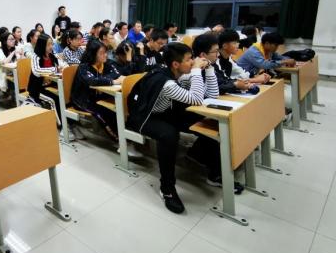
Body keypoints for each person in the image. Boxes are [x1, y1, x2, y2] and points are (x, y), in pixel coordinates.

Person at [127, 43, 239, 215]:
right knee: (169, 135)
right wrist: (196, 70)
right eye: (189, 59)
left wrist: (209, 69)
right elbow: (196, 99)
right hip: (145, 117)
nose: (193, 62)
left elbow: (212, 95)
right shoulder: (167, 83)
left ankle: (213, 171)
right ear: (175, 64)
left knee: (204, 121)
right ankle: (167, 188)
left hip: (165, 111)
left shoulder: (180, 75)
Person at [71, 40, 124, 140]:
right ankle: (118, 138)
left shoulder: (106, 63)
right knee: (101, 111)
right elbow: (92, 81)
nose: (105, 55)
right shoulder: (84, 67)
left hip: (99, 96)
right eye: (101, 53)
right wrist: (112, 81)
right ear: (93, 54)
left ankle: (123, 133)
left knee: (117, 107)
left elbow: (116, 74)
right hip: (83, 100)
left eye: (105, 52)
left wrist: (104, 79)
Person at [26, 34, 70, 132]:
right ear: (42, 45)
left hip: (51, 86)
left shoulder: (52, 55)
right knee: (54, 100)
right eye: (48, 44)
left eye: (52, 44)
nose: (51, 47)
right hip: (37, 88)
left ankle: (69, 122)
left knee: (65, 96)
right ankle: (63, 126)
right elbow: (37, 71)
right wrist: (55, 69)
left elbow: (64, 65)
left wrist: (65, 68)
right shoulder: (35, 56)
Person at [0, 32, 24, 99]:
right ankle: (16, 98)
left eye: (13, 39)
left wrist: (21, 54)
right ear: (4, 41)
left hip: (12, 74)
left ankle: (18, 97)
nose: (13, 41)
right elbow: (4, 62)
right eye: (11, 39)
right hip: (1, 75)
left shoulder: (13, 49)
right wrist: (13, 52)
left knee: (23, 79)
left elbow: (20, 62)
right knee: (16, 82)